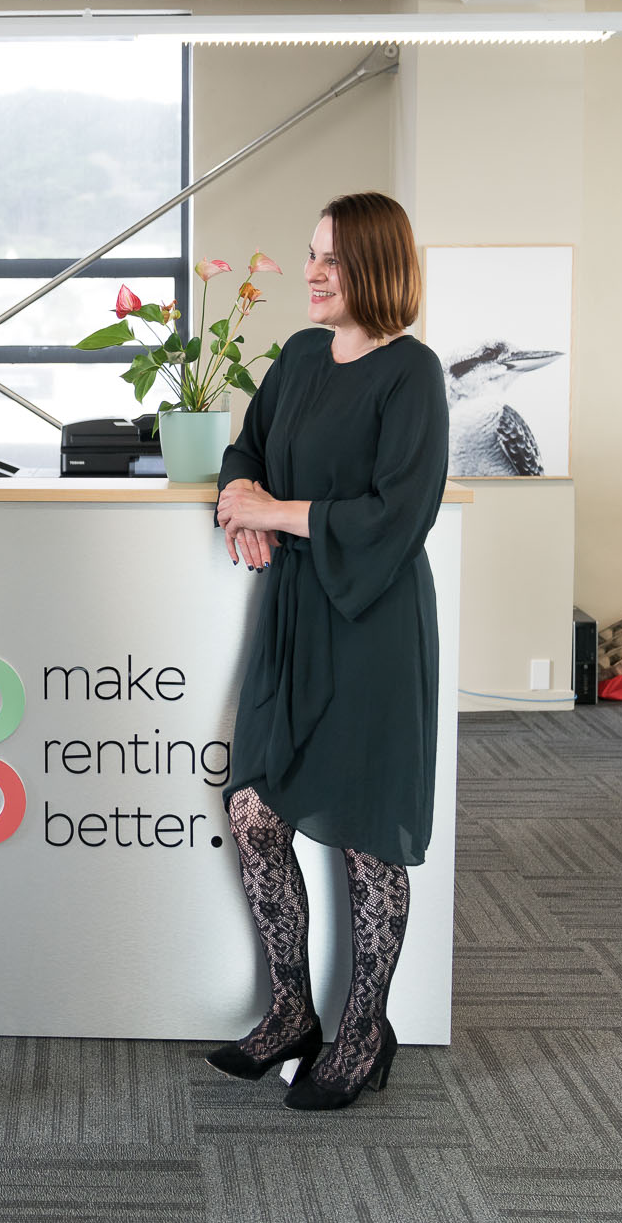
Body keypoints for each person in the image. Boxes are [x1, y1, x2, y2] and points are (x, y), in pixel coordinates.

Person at [206, 191, 449, 1112]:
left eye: (332, 260)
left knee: (365, 840)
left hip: (374, 626)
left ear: (377, 271)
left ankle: (363, 1034)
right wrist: (240, 496)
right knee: (257, 811)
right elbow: (248, 446)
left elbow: (397, 515)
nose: (311, 273)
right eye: (311, 254)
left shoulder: (413, 374)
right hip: (295, 617)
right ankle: (289, 1014)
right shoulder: (303, 356)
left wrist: (275, 511)